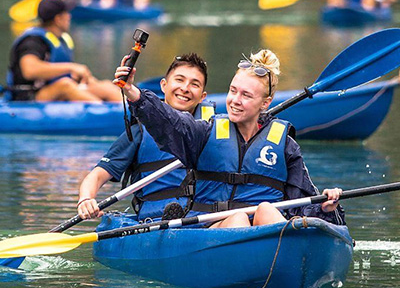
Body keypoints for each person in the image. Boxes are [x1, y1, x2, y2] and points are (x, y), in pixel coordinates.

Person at [115, 49, 344, 228]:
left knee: (265, 210)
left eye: (246, 95)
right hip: (213, 232)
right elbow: (169, 122)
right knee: (238, 219)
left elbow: (302, 202)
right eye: (233, 91)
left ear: (265, 103)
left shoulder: (284, 146)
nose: (235, 100)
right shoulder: (204, 133)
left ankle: (285, 258)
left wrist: (325, 206)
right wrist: (133, 93)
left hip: (268, 233)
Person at [75, 53, 217, 223]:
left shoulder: (213, 131)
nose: (185, 88)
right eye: (179, 80)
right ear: (163, 86)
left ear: (203, 96)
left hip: (204, 220)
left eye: (194, 84)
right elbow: (97, 175)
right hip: (156, 221)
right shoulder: (140, 132)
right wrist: (86, 199)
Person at [7, 0, 121, 103]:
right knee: (65, 85)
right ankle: (103, 113)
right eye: (66, 13)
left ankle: (129, 111)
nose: (69, 16)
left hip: (52, 91)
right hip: (27, 97)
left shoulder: (59, 39)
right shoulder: (33, 41)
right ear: (58, 19)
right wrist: (71, 68)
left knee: (105, 86)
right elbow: (30, 70)